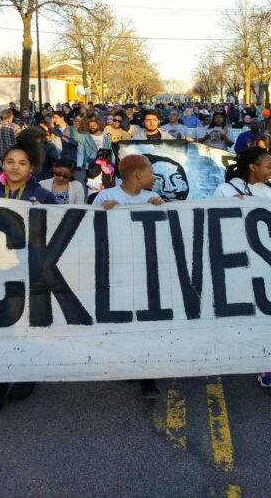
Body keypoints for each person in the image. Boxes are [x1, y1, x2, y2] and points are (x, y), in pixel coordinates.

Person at [0, 140, 59, 412]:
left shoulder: (44, 196)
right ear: (2, 164)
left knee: (28, 327)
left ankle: (26, 375)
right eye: (10, 161)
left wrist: (44, 215)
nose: (15, 167)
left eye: (22, 163)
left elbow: (59, 229)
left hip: (31, 270)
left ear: (31, 168)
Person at [91, 154, 164, 399]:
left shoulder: (151, 199)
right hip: (117, 271)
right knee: (124, 322)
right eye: (151, 172)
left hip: (145, 270)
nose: (154, 176)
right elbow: (90, 230)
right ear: (138, 175)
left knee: (146, 323)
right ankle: (127, 362)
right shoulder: (105, 197)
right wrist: (103, 213)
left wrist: (160, 209)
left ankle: (147, 377)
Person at [211, 146, 271, 388]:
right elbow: (212, 223)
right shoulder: (225, 190)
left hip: (270, 261)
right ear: (253, 167)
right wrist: (229, 207)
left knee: (267, 312)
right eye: (269, 166)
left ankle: (265, 364)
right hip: (237, 260)